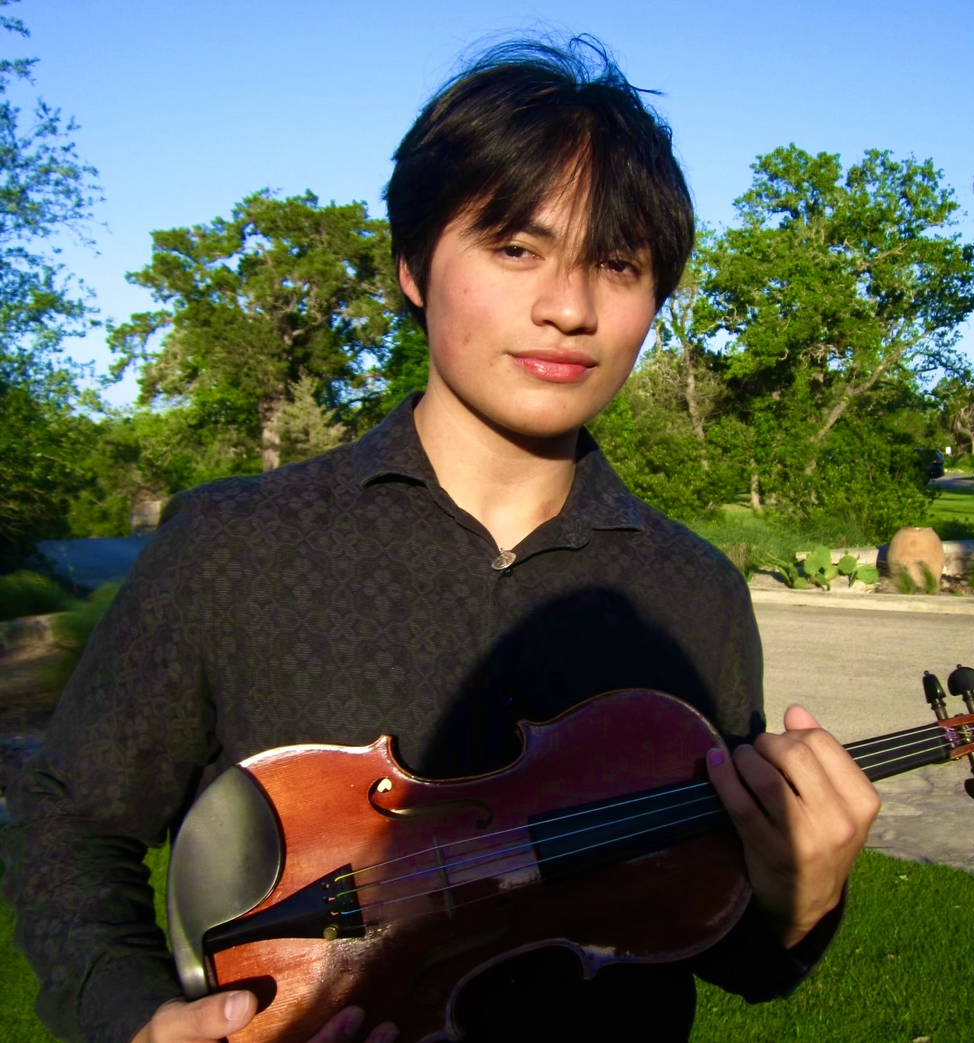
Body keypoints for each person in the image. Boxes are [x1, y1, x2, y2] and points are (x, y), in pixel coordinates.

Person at [1, 37, 880, 1043]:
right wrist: (138, 1017)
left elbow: (701, 933)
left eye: (617, 264)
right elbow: (72, 823)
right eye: (516, 248)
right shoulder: (231, 545)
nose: (569, 308)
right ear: (413, 266)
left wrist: (798, 898)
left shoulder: (693, 592)